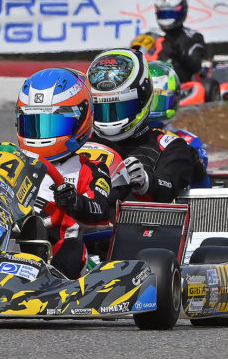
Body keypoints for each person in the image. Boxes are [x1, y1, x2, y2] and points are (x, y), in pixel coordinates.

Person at [15, 67, 112, 279]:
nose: (41, 136)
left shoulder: (92, 169)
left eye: (53, 124)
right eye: (33, 125)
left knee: (72, 248)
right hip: (8, 246)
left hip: (61, 254)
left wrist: (73, 201)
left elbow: (100, 210)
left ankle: (51, 282)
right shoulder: (12, 163)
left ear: (80, 120)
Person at [87, 48, 202, 203]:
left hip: (138, 224)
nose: (110, 118)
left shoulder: (170, 146)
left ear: (142, 99)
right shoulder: (83, 146)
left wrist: (146, 183)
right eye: (102, 109)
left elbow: (168, 185)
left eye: (120, 108)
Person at [147, 60, 210, 188]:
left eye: (158, 101)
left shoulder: (190, 142)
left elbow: (202, 188)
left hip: (178, 203)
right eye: (149, 102)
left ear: (175, 98)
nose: (153, 108)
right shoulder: (123, 140)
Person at [152, 0, 205, 83]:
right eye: (164, 14)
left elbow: (196, 66)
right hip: (149, 81)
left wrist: (180, 53)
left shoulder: (193, 37)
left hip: (178, 83)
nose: (167, 17)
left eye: (170, 14)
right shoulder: (151, 35)